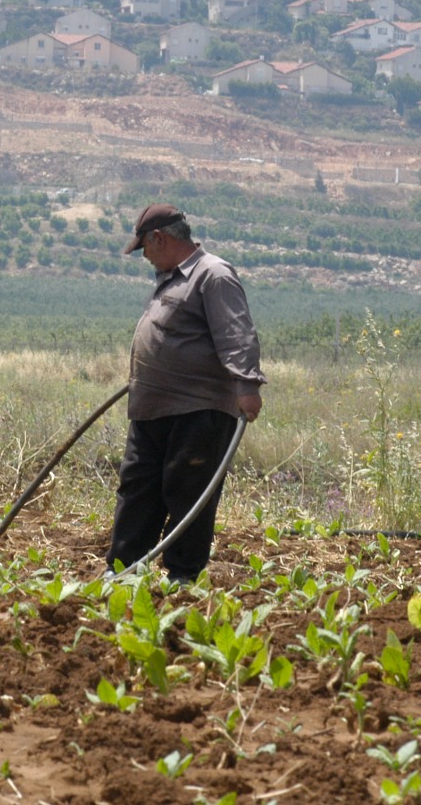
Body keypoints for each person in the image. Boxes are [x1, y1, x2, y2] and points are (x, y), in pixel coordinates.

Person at [107, 203, 265, 583]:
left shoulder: (213, 274)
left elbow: (236, 333)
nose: (144, 257)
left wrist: (246, 386)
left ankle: (181, 577)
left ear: (159, 238)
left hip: (197, 410)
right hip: (151, 407)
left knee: (188, 492)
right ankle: (123, 571)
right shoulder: (171, 277)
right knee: (137, 489)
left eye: (144, 247)